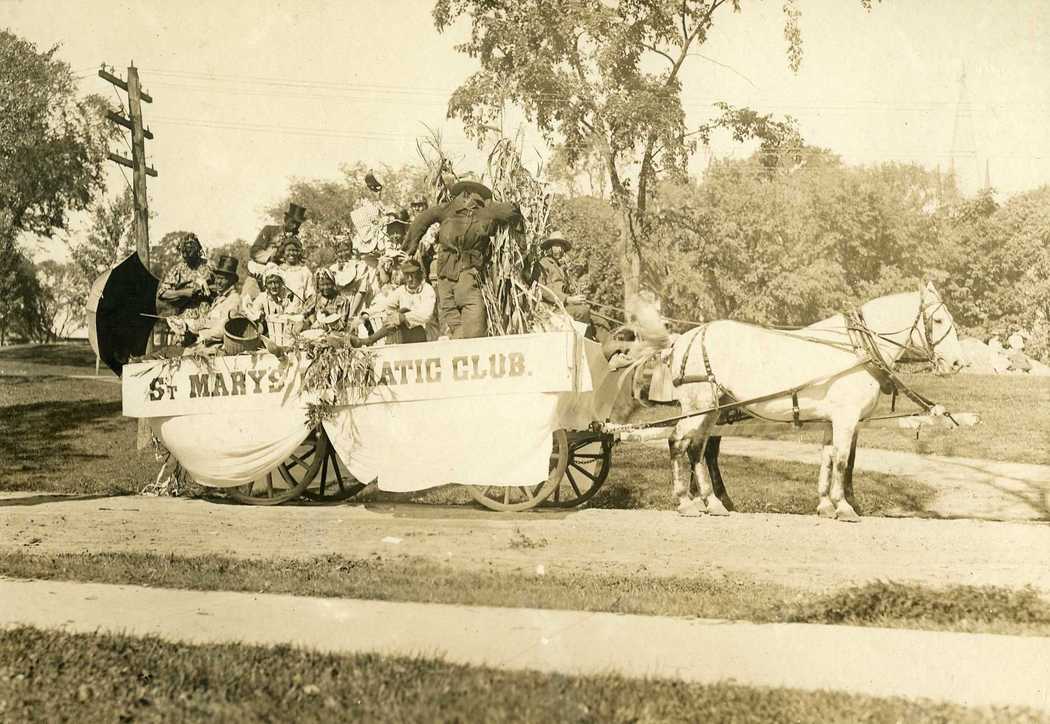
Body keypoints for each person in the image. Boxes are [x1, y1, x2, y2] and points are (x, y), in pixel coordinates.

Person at [402, 180, 521, 339]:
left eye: (471, 192)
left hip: (467, 273)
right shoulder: (449, 209)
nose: (468, 196)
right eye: (466, 192)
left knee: (472, 326)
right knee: (453, 320)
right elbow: (422, 219)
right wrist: (410, 248)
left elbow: (511, 212)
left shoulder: (486, 209)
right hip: (446, 274)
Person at [536, 230, 607, 340]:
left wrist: (577, 298)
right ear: (550, 247)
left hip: (566, 307)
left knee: (600, 320)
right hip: (552, 309)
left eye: (561, 246)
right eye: (556, 246)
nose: (559, 250)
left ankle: (611, 353)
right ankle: (585, 347)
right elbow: (543, 289)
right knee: (583, 312)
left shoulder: (562, 268)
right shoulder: (543, 263)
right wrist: (568, 299)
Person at [357, 258, 437, 345]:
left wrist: (402, 317)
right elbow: (384, 304)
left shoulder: (427, 289)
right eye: (407, 275)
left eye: (413, 274)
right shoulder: (402, 290)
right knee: (397, 313)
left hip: (428, 336)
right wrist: (367, 313)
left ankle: (370, 340)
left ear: (419, 274)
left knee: (403, 311)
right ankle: (369, 340)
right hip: (407, 336)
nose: (410, 279)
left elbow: (426, 315)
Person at [168, 256, 243, 346]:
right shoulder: (219, 299)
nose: (218, 282)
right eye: (217, 278)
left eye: (222, 279)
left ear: (231, 280)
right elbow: (208, 322)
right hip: (206, 344)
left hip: (216, 348)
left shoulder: (234, 300)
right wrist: (186, 324)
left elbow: (223, 330)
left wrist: (199, 335)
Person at [245, 203, 307, 301]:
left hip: (280, 281)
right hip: (258, 274)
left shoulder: (297, 241)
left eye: (298, 224)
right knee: (247, 302)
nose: (295, 226)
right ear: (286, 219)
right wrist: (272, 258)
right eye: (292, 222)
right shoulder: (270, 230)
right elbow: (254, 251)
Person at [242, 268, 307, 346]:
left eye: (276, 282)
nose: (273, 286)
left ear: (281, 283)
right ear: (265, 285)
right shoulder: (263, 297)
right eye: (270, 283)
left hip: (290, 337)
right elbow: (252, 311)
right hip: (272, 336)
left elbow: (294, 316)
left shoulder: (289, 296)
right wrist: (259, 314)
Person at [156, 233, 211, 317]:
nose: (186, 254)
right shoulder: (177, 269)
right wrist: (184, 292)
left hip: (207, 317)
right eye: (184, 251)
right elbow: (162, 293)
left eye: (190, 249)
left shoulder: (209, 266)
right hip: (185, 320)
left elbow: (221, 286)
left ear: (197, 249)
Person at [274, 237, 316, 315]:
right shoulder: (278, 271)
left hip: (300, 314)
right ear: (283, 252)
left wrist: (304, 312)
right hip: (280, 314)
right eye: (289, 250)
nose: (292, 253)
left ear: (299, 252)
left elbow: (311, 295)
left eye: (295, 250)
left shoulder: (305, 271)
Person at [308, 269, 350, 334]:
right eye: (322, 285)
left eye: (328, 284)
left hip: (335, 334)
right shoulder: (315, 298)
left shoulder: (342, 300)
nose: (326, 287)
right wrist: (312, 321)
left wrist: (328, 326)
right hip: (316, 332)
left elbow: (343, 323)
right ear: (318, 286)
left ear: (333, 284)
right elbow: (304, 313)